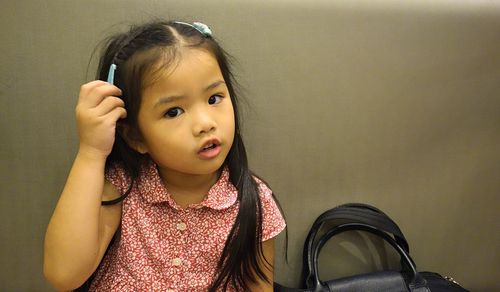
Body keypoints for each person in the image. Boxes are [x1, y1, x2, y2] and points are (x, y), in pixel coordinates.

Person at [43, 20, 286, 291]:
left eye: (214, 98)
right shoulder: (122, 187)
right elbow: (63, 274)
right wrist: (91, 152)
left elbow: (259, 286)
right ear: (135, 137)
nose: (205, 123)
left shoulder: (253, 202)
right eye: (173, 112)